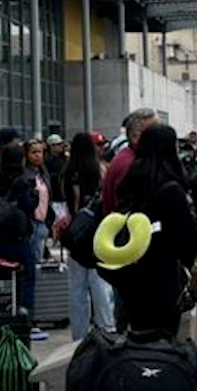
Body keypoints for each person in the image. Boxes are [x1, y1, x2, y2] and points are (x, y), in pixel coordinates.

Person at [102, 124, 197, 339]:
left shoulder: (131, 183)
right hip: (162, 275)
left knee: (138, 334)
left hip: (131, 273)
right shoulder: (170, 189)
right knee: (162, 339)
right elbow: (187, 242)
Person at [60, 132, 117, 337]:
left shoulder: (67, 171)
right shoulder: (100, 169)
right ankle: (107, 327)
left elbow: (69, 203)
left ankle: (79, 334)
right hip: (97, 230)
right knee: (100, 283)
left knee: (77, 289)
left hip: (75, 232)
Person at [0, 144, 43, 324]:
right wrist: (35, 195)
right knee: (27, 275)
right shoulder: (21, 181)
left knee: (5, 275)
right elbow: (29, 206)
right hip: (17, 234)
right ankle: (25, 318)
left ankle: (3, 314)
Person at [101, 108, 159, 214]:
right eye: (154, 132)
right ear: (135, 137)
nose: (160, 135)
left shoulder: (128, 158)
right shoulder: (130, 165)